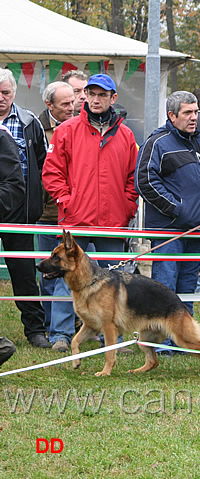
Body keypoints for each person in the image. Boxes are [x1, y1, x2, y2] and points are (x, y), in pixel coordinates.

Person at [42, 73, 139, 352]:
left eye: (102, 95)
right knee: (66, 278)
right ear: (85, 95)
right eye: (91, 94)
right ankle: (60, 335)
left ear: (113, 99)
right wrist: (66, 200)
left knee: (116, 282)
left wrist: (127, 205)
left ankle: (115, 338)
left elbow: (134, 177)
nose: (96, 100)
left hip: (113, 222)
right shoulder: (67, 130)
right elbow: (51, 173)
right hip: (75, 220)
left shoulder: (126, 134)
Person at [136, 91, 200, 321]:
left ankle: (182, 339)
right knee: (165, 288)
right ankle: (161, 341)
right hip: (169, 231)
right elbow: (144, 181)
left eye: (195, 112)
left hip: (198, 229)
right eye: (187, 113)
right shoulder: (157, 144)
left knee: (188, 288)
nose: (194, 117)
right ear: (172, 116)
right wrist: (177, 209)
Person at [0, 68, 49, 349]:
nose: (1, 98)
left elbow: (42, 162)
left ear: (14, 93)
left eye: (5, 93)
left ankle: (35, 329)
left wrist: (34, 200)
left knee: (24, 273)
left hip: (19, 209)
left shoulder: (29, 121)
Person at [37, 81, 75, 337]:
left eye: (73, 101)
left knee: (70, 273)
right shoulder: (36, 128)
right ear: (49, 105)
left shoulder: (79, 127)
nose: (72, 107)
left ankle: (68, 327)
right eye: (65, 104)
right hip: (47, 213)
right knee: (48, 273)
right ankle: (51, 325)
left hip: (72, 216)